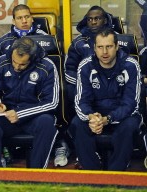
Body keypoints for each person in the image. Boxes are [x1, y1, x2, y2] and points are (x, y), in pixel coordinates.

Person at [69, 28, 142, 171]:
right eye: (100, 47)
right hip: (96, 114)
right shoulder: (85, 66)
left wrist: (108, 118)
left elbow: (131, 104)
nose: (104, 52)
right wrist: (91, 116)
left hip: (123, 114)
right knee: (77, 123)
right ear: (94, 48)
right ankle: (92, 173)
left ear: (116, 47)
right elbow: (81, 100)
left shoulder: (131, 65)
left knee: (129, 126)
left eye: (108, 46)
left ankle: (116, 174)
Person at [0, 37, 59, 168]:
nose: (16, 66)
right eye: (14, 62)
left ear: (32, 58)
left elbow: (52, 102)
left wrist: (20, 113)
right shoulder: (0, 62)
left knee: (47, 122)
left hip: (33, 116)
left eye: (22, 64)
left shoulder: (47, 66)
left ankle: (36, 173)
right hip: (6, 116)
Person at [62, 5, 116, 167]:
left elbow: (122, 65)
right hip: (85, 90)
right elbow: (69, 69)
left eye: (97, 18)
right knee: (71, 95)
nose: (93, 22)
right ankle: (85, 153)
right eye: (90, 19)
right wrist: (84, 85)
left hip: (111, 89)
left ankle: (116, 154)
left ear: (105, 20)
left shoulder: (115, 39)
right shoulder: (78, 42)